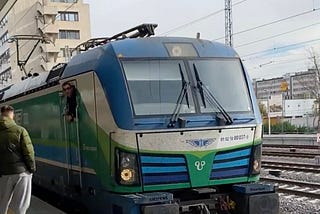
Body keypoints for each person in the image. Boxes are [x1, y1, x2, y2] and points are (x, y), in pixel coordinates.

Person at [0, 105, 35, 214]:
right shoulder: (20, 130)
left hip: (4, 173)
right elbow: (29, 152)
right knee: (21, 205)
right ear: (12, 115)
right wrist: (32, 168)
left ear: (1, 114)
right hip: (21, 172)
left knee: (2, 203)